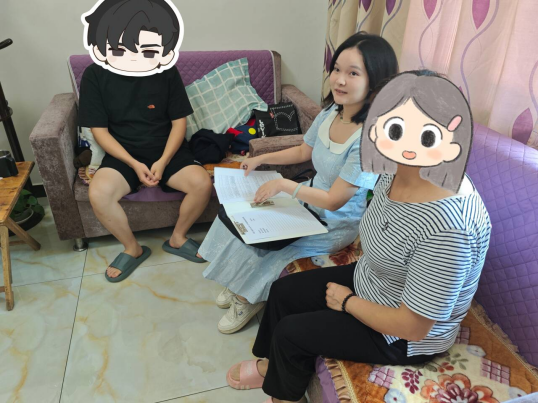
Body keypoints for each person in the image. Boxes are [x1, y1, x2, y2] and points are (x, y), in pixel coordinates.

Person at [226, 70, 492, 403]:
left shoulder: (449, 227)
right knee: (283, 292)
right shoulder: (394, 168)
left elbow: (413, 326)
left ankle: (283, 395)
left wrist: (348, 303)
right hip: (377, 279)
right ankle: (271, 367)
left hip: (402, 335)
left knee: (291, 334)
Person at [198, 32, 399, 334]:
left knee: (271, 248)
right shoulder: (331, 112)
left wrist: (283, 186)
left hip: (333, 223)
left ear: (376, 82)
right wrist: (261, 159)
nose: (339, 80)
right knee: (241, 218)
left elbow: (334, 201)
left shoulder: (368, 141)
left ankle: (248, 298)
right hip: (304, 203)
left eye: (353, 73)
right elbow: (304, 150)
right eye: (337, 70)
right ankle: (237, 281)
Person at [79, 0, 213, 283]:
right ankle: (132, 248)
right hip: (122, 153)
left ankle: (178, 237)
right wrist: (133, 163)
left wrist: (163, 162)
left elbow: (179, 123)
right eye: (119, 49)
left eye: (148, 49)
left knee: (201, 183)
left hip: (168, 150)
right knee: (98, 193)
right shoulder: (94, 74)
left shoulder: (167, 71)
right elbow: (99, 131)